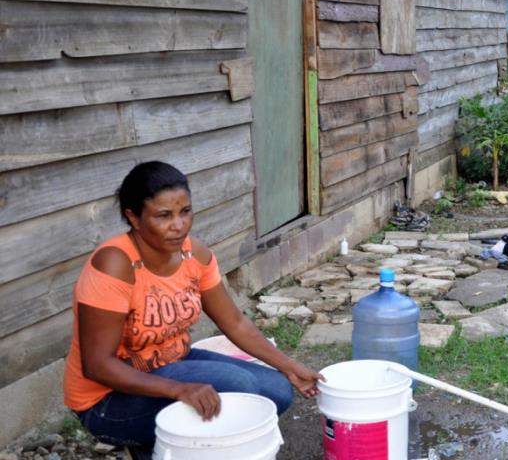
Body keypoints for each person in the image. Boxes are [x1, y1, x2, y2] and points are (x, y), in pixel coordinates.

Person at [63, 161, 325, 457]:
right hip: (107, 400)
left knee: (276, 391)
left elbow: (235, 322)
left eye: (185, 212)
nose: (178, 226)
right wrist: (179, 390)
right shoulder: (115, 265)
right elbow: (97, 365)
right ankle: (155, 445)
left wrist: (290, 368)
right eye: (163, 216)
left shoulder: (193, 253)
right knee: (239, 385)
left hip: (174, 362)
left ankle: (173, 444)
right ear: (133, 218)